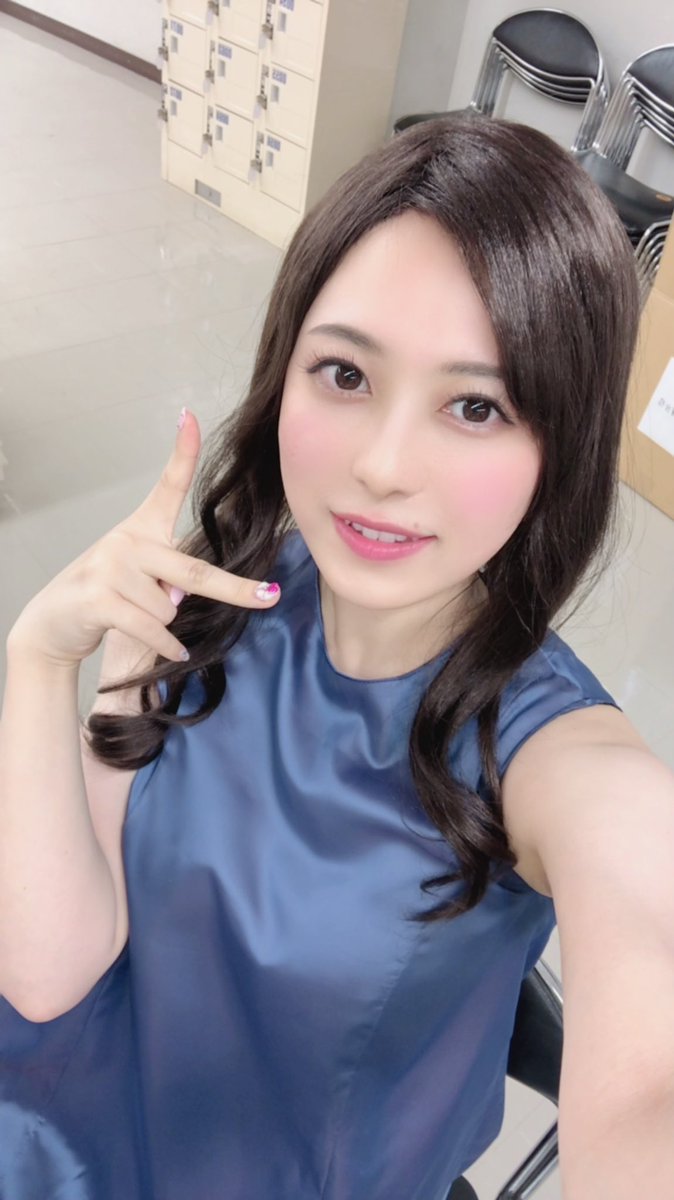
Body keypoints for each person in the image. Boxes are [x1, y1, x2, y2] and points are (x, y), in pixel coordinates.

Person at [1, 113, 673, 1200]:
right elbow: (50, 975)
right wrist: (36, 660)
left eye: (475, 405)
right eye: (345, 375)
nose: (383, 466)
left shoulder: (557, 762)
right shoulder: (212, 592)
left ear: (562, 446)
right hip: (71, 1129)